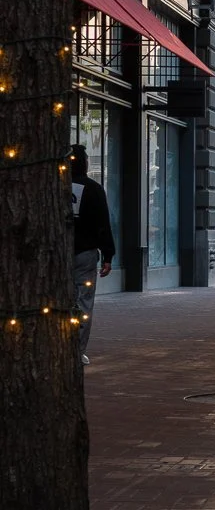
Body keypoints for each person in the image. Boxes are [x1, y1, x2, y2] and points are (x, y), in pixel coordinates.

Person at [67, 144, 115, 367]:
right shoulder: (93, 189)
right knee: (83, 301)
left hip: (57, 252)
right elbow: (103, 224)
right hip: (84, 253)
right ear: (85, 163)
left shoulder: (53, 186)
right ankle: (76, 349)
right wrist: (108, 255)